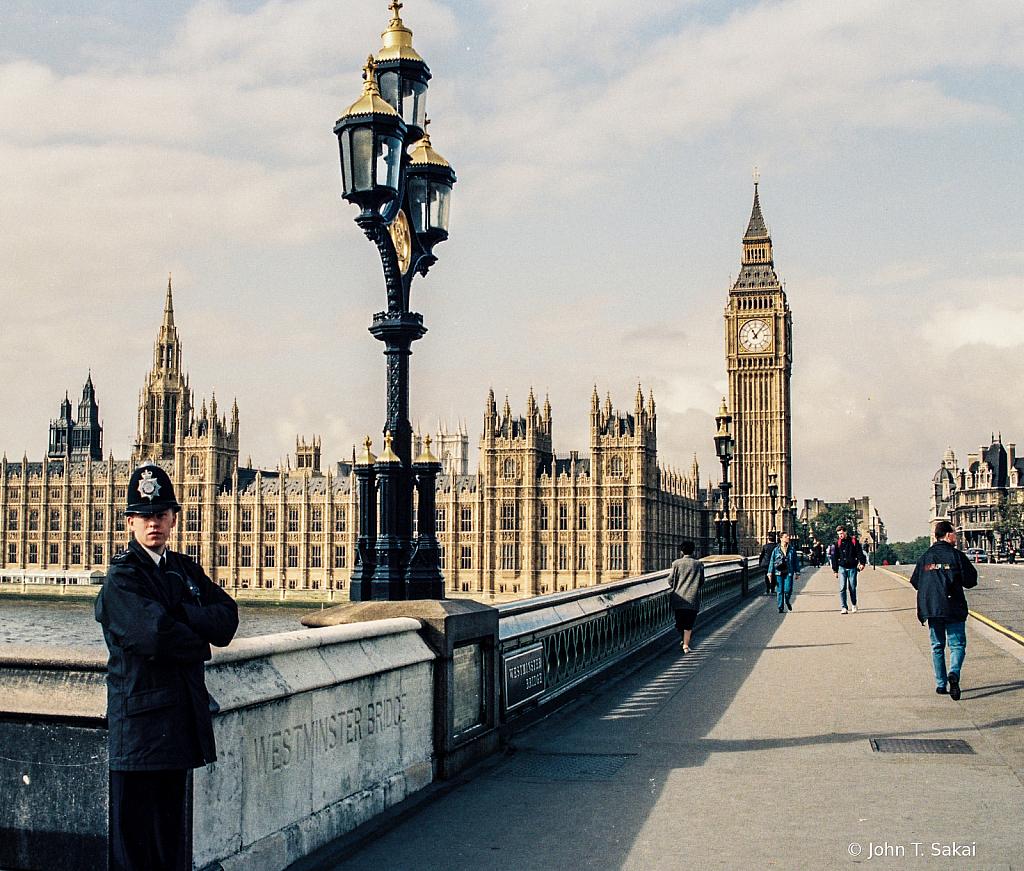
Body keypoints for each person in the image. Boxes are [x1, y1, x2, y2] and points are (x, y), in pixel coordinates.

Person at [95, 463, 239, 871]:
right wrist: (198, 636)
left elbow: (227, 619)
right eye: (144, 516)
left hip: (177, 729)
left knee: (171, 852)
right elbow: (154, 636)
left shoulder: (184, 569)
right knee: (134, 856)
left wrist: (181, 616)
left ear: (174, 518)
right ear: (129, 522)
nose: (153, 523)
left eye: (160, 514)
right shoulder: (122, 579)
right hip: (138, 736)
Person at [910, 520, 977, 699]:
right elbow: (971, 580)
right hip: (953, 606)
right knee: (957, 645)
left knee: (937, 646)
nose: (956, 537)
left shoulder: (925, 557)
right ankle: (954, 672)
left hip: (932, 608)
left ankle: (940, 684)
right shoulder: (956, 555)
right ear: (948, 535)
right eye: (955, 534)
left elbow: (915, 581)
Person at [668, 540, 705, 653]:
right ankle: (686, 644)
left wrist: (676, 585)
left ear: (682, 551)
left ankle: (683, 641)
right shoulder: (698, 564)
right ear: (693, 551)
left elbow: (670, 580)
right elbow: (702, 581)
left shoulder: (676, 564)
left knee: (680, 622)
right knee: (689, 623)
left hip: (678, 597)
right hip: (692, 598)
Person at [830, 524, 866, 614]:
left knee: (852, 587)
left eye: (842, 533)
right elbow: (834, 557)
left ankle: (854, 604)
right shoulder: (838, 544)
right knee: (842, 588)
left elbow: (859, 553)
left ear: (846, 532)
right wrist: (835, 570)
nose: (840, 536)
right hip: (842, 568)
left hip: (852, 567)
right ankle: (844, 607)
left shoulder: (853, 542)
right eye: (839, 534)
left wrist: (862, 563)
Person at [769, 532, 801, 612]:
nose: (788, 538)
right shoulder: (776, 550)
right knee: (780, 590)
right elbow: (772, 561)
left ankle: (787, 600)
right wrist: (770, 572)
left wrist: (797, 572)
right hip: (779, 572)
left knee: (788, 589)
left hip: (789, 571)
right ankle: (780, 607)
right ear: (781, 538)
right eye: (786, 536)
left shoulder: (792, 549)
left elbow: (795, 561)